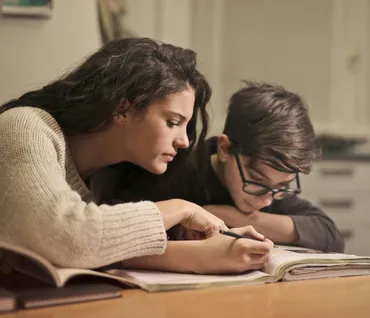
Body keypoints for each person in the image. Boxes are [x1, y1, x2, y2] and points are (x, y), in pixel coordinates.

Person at [0, 38, 273, 272]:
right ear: (122, 109)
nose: (185, 142)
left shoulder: (107, 176)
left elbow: (99, 248)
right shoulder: (26, 126)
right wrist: (182, 209)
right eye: (173, 122)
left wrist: (202, 247)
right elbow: (70, 239)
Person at [101, 81, 344, 253]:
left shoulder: (269, 190)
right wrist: (178, 225)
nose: (267, 200)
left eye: (282, 186)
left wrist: (236, 218)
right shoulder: (174, 168)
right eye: (257, 181)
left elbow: (330, 235)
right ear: (225, 149)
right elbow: (110, 217)